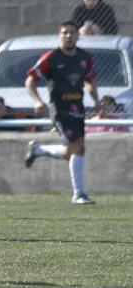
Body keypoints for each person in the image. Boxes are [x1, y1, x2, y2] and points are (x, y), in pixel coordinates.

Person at [24, 21, 101, 204]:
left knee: (71, 152)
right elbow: (30, 81)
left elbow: (90, 80)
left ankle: (38, 150)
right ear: (59, 36)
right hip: (60, 110)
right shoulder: (50, 58)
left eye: (72, 32)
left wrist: (97, 101)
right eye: (64, 33)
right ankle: (78, 194)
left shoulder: (84, 58)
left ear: (78, 35)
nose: (68, 36)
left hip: (78, 108)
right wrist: (37, 101)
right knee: (78, 147)